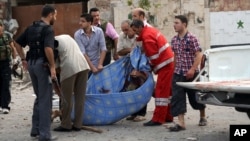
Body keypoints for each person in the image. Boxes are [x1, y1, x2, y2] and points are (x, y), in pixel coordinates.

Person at [15, 4, 57, 141]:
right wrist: (52, 67)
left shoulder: (31, 27)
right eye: (55, 15)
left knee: (39, 97)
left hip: (31, 65)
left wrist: (23, 59)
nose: (55, 18)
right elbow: (48, 49)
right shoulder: (48, 29)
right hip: (42, 65)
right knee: (45, 100)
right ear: (50, 15)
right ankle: (45, 135)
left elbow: (17, 43)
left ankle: (36, 129)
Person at [130, 19, 174, 126]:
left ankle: (158, 119)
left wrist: (147, 69)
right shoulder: (149, 31)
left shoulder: (147, 37)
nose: (136, 33)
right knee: (167, 92)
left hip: (165, 64)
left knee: (161, 93)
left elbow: (153, 57)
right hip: (167, 62)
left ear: (140, 27)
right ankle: (168, 116)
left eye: (136, 30)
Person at [169, 15, 207, 132]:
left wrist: (192, 69)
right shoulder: (174, 40)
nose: (174, 25)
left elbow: (199, 55)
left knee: (195, 99)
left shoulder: (192, 38)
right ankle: (181, 123)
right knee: (177, 97)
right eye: (174, 23)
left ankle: (202, 116)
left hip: (192, 74)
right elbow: (175, 56)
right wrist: (173, 70)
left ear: (184, 24)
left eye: (177, 23)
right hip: (178, 73)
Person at [53, 34, 89, 132]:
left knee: (66, 98)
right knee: (80, 98)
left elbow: (56, 68)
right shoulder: (66, 36)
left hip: (69, 68)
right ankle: (78, 124)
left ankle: (66, 124)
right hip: (83, 65)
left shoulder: (51, 43)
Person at [117, 19, 145, 122]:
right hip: (126, 66)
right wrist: (131, 50)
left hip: (139, 66)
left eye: (127, 29)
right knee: (129, 89)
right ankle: (133, 113)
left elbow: (142, 52)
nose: (125, 32)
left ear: (132, 28)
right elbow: (119, 52)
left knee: (140, 88)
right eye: (123, 30)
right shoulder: (121, 36)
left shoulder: (139, 37)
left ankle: (141, 113)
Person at [0, 20, 16, 114]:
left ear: (2, 27)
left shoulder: (7, 36)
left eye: (0, 26)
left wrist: (15, 60)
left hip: (6, 63)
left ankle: (5, 106)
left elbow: (13, 48)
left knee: (6, 84)